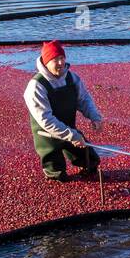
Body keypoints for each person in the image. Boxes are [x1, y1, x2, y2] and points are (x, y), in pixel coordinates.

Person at [24, 40, 104, 182]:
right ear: (46, 62)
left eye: (62, 58)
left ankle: (86, 168)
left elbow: (84, 99)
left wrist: (95, 117)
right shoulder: (36, 86)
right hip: (47, 135)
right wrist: (72, 135)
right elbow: (46, 120)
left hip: (69, 128)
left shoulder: (72, 78)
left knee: (90, 160)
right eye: (55, 60)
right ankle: (54, 175)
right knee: (57, 173)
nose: (60, 63)